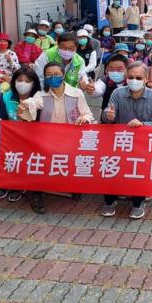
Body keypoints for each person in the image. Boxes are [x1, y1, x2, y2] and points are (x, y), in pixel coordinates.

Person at [18, 62, 93, 213]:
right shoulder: (41, 95)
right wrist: (26, 104)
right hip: (46, 140)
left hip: (71, 139)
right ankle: (35, 194)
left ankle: (72, 184)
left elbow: (87, 113)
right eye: (49, 75)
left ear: (63, 75)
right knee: (37, 161)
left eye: (57, 74)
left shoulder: (76, 93)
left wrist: (84, 119)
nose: (53, 78)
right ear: (44, 78)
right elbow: (34, 103)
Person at [101, 61, 152, 219]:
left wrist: (142, 125)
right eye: (131, 77)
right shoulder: (117, 94)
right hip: (120, 142)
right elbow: (107, 119)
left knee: (139, 166)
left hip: (143, 144)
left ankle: (138, 201)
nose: (134, 80)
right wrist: (108, 116)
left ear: (146, 79)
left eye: (138, 77)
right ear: (126, 78)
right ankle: (110, 199)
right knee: (110, 163)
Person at [0, 67, 41, 203]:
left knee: (23, 156)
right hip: (9, 136)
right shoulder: (6, 96)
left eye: (27, 81)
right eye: (19, 80)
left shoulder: (37, 99)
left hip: (31, 138)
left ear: (34, 83)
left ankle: (17, 186)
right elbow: (3, 118)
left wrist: (24, 114)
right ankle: (4, 183)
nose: (23, 84)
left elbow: (37, 122)